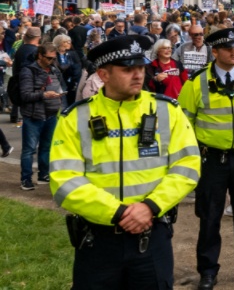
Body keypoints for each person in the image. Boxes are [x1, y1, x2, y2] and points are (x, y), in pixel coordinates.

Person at [49, 35, 201, 289]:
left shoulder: (166, 111)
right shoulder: (75, 117)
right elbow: (64, 181)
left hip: (151, 235)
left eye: (140, 67)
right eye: (128, 69)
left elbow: (187, 166)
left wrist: (150, 207)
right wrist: (118, 213)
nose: (138, 75)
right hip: (98, 240)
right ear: (103, 75)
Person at [178, 28, 234, 289]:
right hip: (211, 159)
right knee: (209, 217)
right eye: (228, 48)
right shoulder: (196, 82)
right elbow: (184, 124)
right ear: (214, 52)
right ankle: (208, 270)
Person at [18, 42, 65, 190]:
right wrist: (44, 94)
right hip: (33, 115)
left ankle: (43, 174)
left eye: (54, 58)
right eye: (49, 58)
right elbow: (25, 95)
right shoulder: (28, 71)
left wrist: (59, 96)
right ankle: (26, 179)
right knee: (29, 149)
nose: (51, 61)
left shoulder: (54, 70)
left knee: (46, 147)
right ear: (40, 55)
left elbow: (60, 86)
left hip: (51, 114)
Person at [53, 34, 85, 106]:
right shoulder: (54, 54)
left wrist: (74, 80)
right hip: (58, 82)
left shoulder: (73, 54)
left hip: (71, 82)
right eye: (66, 42)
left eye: (69, 42)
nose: (69, 43)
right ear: (59, 43)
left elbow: (77, 68)